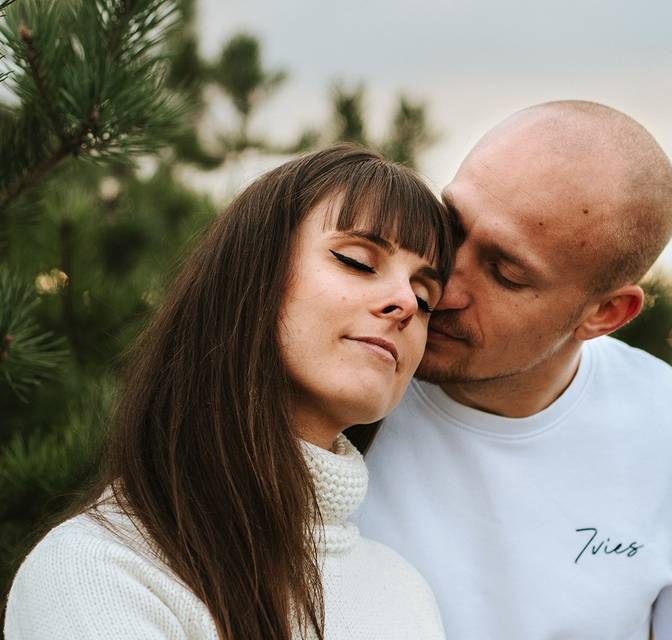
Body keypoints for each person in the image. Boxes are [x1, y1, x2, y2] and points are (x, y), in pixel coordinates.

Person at [353, 101, 672, 639]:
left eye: (505, 273)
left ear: (604, 314)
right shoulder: (332, 377)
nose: (441, 285)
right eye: (451, 223)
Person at [4, 144, 455, 639]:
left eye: (424, 296)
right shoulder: (102, 570)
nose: (403, 303)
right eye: (357, 261)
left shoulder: (403, 590)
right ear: (251, 275)